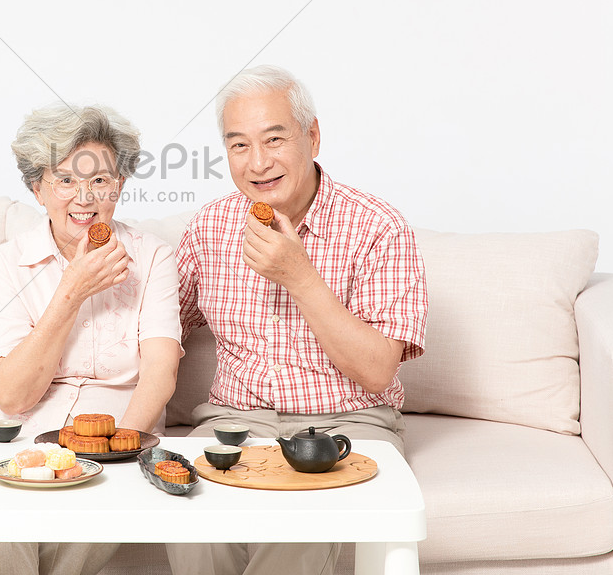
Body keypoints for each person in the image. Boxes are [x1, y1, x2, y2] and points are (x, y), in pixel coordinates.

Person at [168, 65, 428, 575]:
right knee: (190, 517)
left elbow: (377, 371)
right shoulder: (210, 227)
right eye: (238, 145)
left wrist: (299, 275)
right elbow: (153, 329)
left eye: (274, 138)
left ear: (311, 137)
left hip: (348, 422)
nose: (257, 162)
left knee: (295, 530)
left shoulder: (379, 228)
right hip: (232, 421)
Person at [0, 103, 182, 575]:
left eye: (99, 180)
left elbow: (161, 374)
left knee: (92, 523)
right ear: (37, 190)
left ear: (119, 186)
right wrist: (72, 290)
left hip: (119, 436)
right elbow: (13, 394)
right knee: (1, 534)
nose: (84, 197)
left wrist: (122, 450)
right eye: (65, 180)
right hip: (19, 430)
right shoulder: (4, 265)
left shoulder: (154, 257)